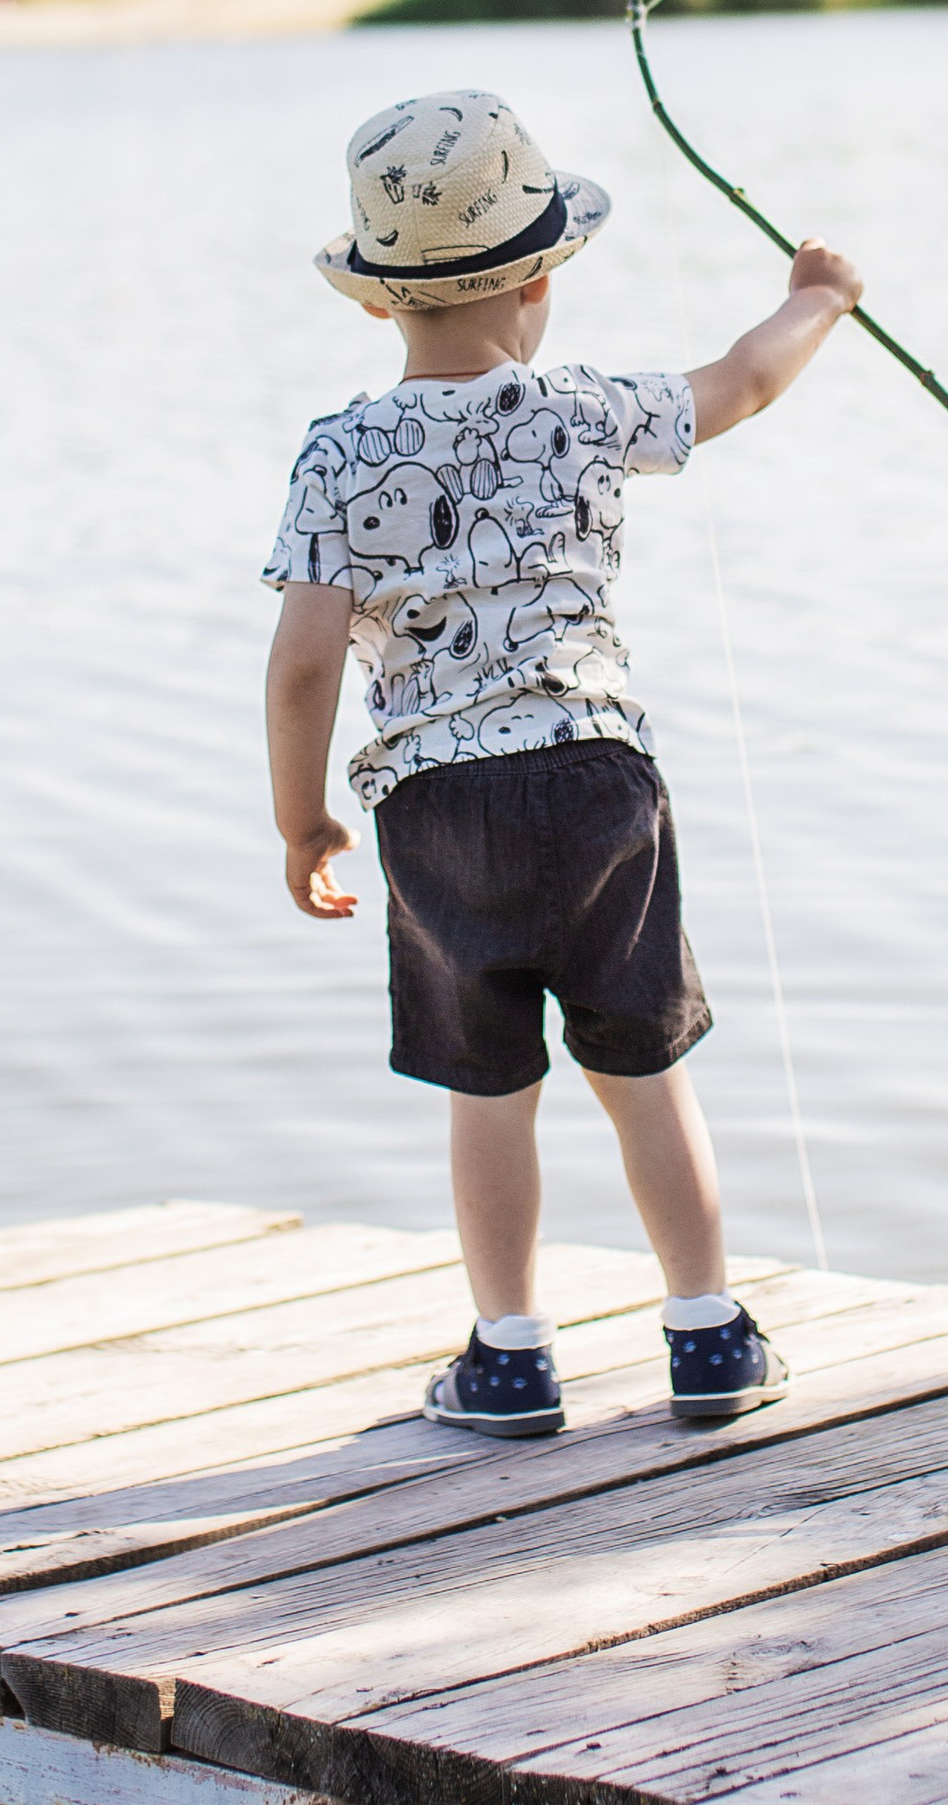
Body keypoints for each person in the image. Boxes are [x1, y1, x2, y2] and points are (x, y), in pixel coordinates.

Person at [264, 87, 862, 1441]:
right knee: (641, 1064)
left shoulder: (335, 454)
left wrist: (302, 820)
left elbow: (303, 664)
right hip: (598, 780)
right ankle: (706, 1334)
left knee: (488, 1086)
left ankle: (511, 1356)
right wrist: (818, 300)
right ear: (540, 279)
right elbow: (743, 382)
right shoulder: (590, 412)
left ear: (374, 302)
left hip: (434, 802)